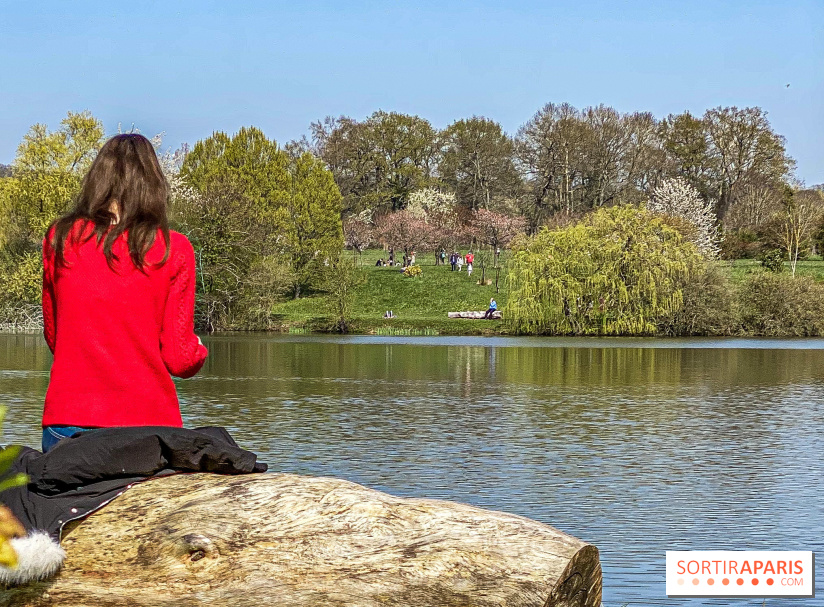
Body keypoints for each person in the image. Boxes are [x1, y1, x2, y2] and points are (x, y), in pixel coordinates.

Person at [40, 134, 208, 453]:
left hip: (67, 423)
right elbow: (181, 359)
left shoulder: (59, 239)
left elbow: (55, 337)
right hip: (148, 427)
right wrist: (199, 348)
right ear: (154, 186)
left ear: (96, 182)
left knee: (62, 504)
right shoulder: (173, 249)